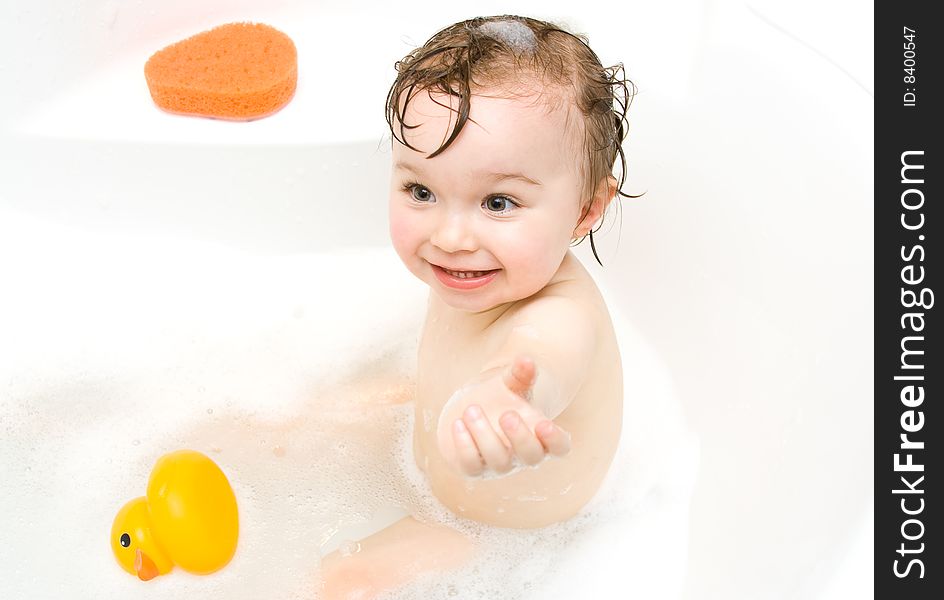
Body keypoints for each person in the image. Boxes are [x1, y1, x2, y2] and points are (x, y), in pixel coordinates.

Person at [319, 14, 634, 598]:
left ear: (587, 211)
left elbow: (537, 362)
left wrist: (502, 399)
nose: (451, 235)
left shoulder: (560, 314)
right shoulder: (485, 272)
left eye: (497, 201)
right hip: (444, 465)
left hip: (495, 533)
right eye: (421, 191)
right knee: (309, 420)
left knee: (344, 581)